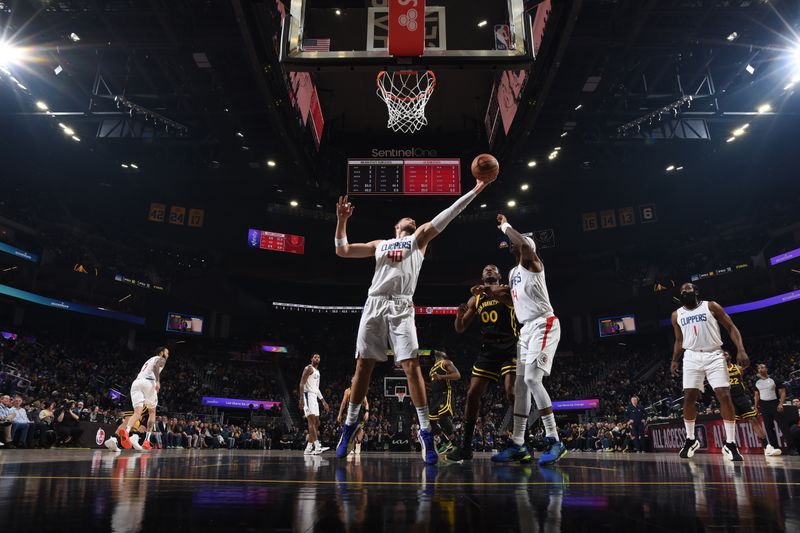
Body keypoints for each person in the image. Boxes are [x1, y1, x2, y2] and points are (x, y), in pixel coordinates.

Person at [333, 175, 493, 464]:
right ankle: (349, 427)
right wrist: (341, 220)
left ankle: (426, 432)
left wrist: (476, 189)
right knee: (363, 366)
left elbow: (449, 214)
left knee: (411, 366)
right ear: (395, 227)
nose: (412, 219)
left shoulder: (418, 240)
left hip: (402, 307)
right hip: (374, 304)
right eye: (406, 219)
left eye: (413, 219)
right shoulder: (379, 244)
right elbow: (342, 250)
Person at [489, 214, 565, 466]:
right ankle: (518, 444)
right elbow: (514, 302)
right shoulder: (512, 273)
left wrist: (504, 226)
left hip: (545, 323)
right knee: (521, 387)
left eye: (520, 244)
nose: (515, 246)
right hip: (526, 329)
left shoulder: (532, 263)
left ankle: (555, 439)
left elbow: (521, 244)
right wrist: (490, 292)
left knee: (533, 379)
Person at [446, 264, 517, 463]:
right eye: (485, 269)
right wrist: (459, 314)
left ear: (499, 274)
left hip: (510, 347)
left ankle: (522, 442)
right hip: (489, 350)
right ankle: (466, 447)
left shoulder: (505, 288)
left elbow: (512, 303)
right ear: (481, 275)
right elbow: (460, 328)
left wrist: (485, 290)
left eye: (493, 268)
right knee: (472, 394)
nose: (488, 270)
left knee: (511, 393)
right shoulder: (475, 299)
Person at [670, 283, 748, 461]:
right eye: (681, 291)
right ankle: (691, 439)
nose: (684, 293)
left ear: (696, 292)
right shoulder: (676, 314)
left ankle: (730, 443)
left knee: (724, 395)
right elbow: (678, 339)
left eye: (687, 290)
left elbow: (731, 327)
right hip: (691, 356)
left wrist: (740, 349)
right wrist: (675, 359)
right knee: (689, 397)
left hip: (714, 354)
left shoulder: (711, 306)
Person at [723, 352, 776, 455]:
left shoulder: (738, 368)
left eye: (726, 353)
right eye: (722, 354)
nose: (724, 355)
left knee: (753, 419)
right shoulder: (719, 370)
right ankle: (726, 445)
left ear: (730, 356)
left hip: (742, 397)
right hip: (730, 400)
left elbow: (746, 365)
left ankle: (767, 447)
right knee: (731, 425)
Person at [118, 346, 169, 451]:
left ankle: (126, 432)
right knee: (152, 412)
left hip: (136, 383)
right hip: (149, 382)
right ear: (161, 353)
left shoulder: (149, 360)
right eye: (167, 352)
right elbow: (156, 367)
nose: (168, 355)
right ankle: (147, 440)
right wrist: (158, 381)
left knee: (137, 412)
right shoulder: (161, 359)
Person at [427, 350, 460, 454]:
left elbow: (457, 375)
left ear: (442, 355)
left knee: (443, 418)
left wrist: (441, 377)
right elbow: (433, 385)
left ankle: (455, 445)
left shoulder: (446, 362)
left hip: (445, 393)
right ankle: (445, 442)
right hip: (435, 396)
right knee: (431, 422)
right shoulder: (432, 369)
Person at [299, 353, 331, 455]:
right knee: (311, 421)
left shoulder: (317, 372)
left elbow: (317, 389)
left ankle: (308, 448)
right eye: (315, 357)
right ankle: (317, 446)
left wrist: (323, 401)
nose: (317, 358)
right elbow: (301, 383)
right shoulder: (308, 368)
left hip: (314, 396)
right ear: (311, 359)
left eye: (318, 357)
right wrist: (301, 398)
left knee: (317, 423)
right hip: (307, 395)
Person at [754, 363, 787, 455]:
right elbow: (756, 395)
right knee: (768, 428)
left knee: (783, 426)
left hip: (775, 403)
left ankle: (791, 447)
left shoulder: (774, 379)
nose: (761, 369)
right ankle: (775, 448)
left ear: (766, 369)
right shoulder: (756, 382)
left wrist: (781, 403)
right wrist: (756, 407)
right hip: (764, 406)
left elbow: (783, 392)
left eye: (763, 367)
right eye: (759, 368)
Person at [337, 383, 369, 455]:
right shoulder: (348, 391)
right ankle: (350, 447)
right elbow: (343, 403)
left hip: (360, 414)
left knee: (360, 430)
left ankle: (358, 445)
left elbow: (366, 403)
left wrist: (367, 412)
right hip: (350, 414)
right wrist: (340, 414)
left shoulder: (361, 391)